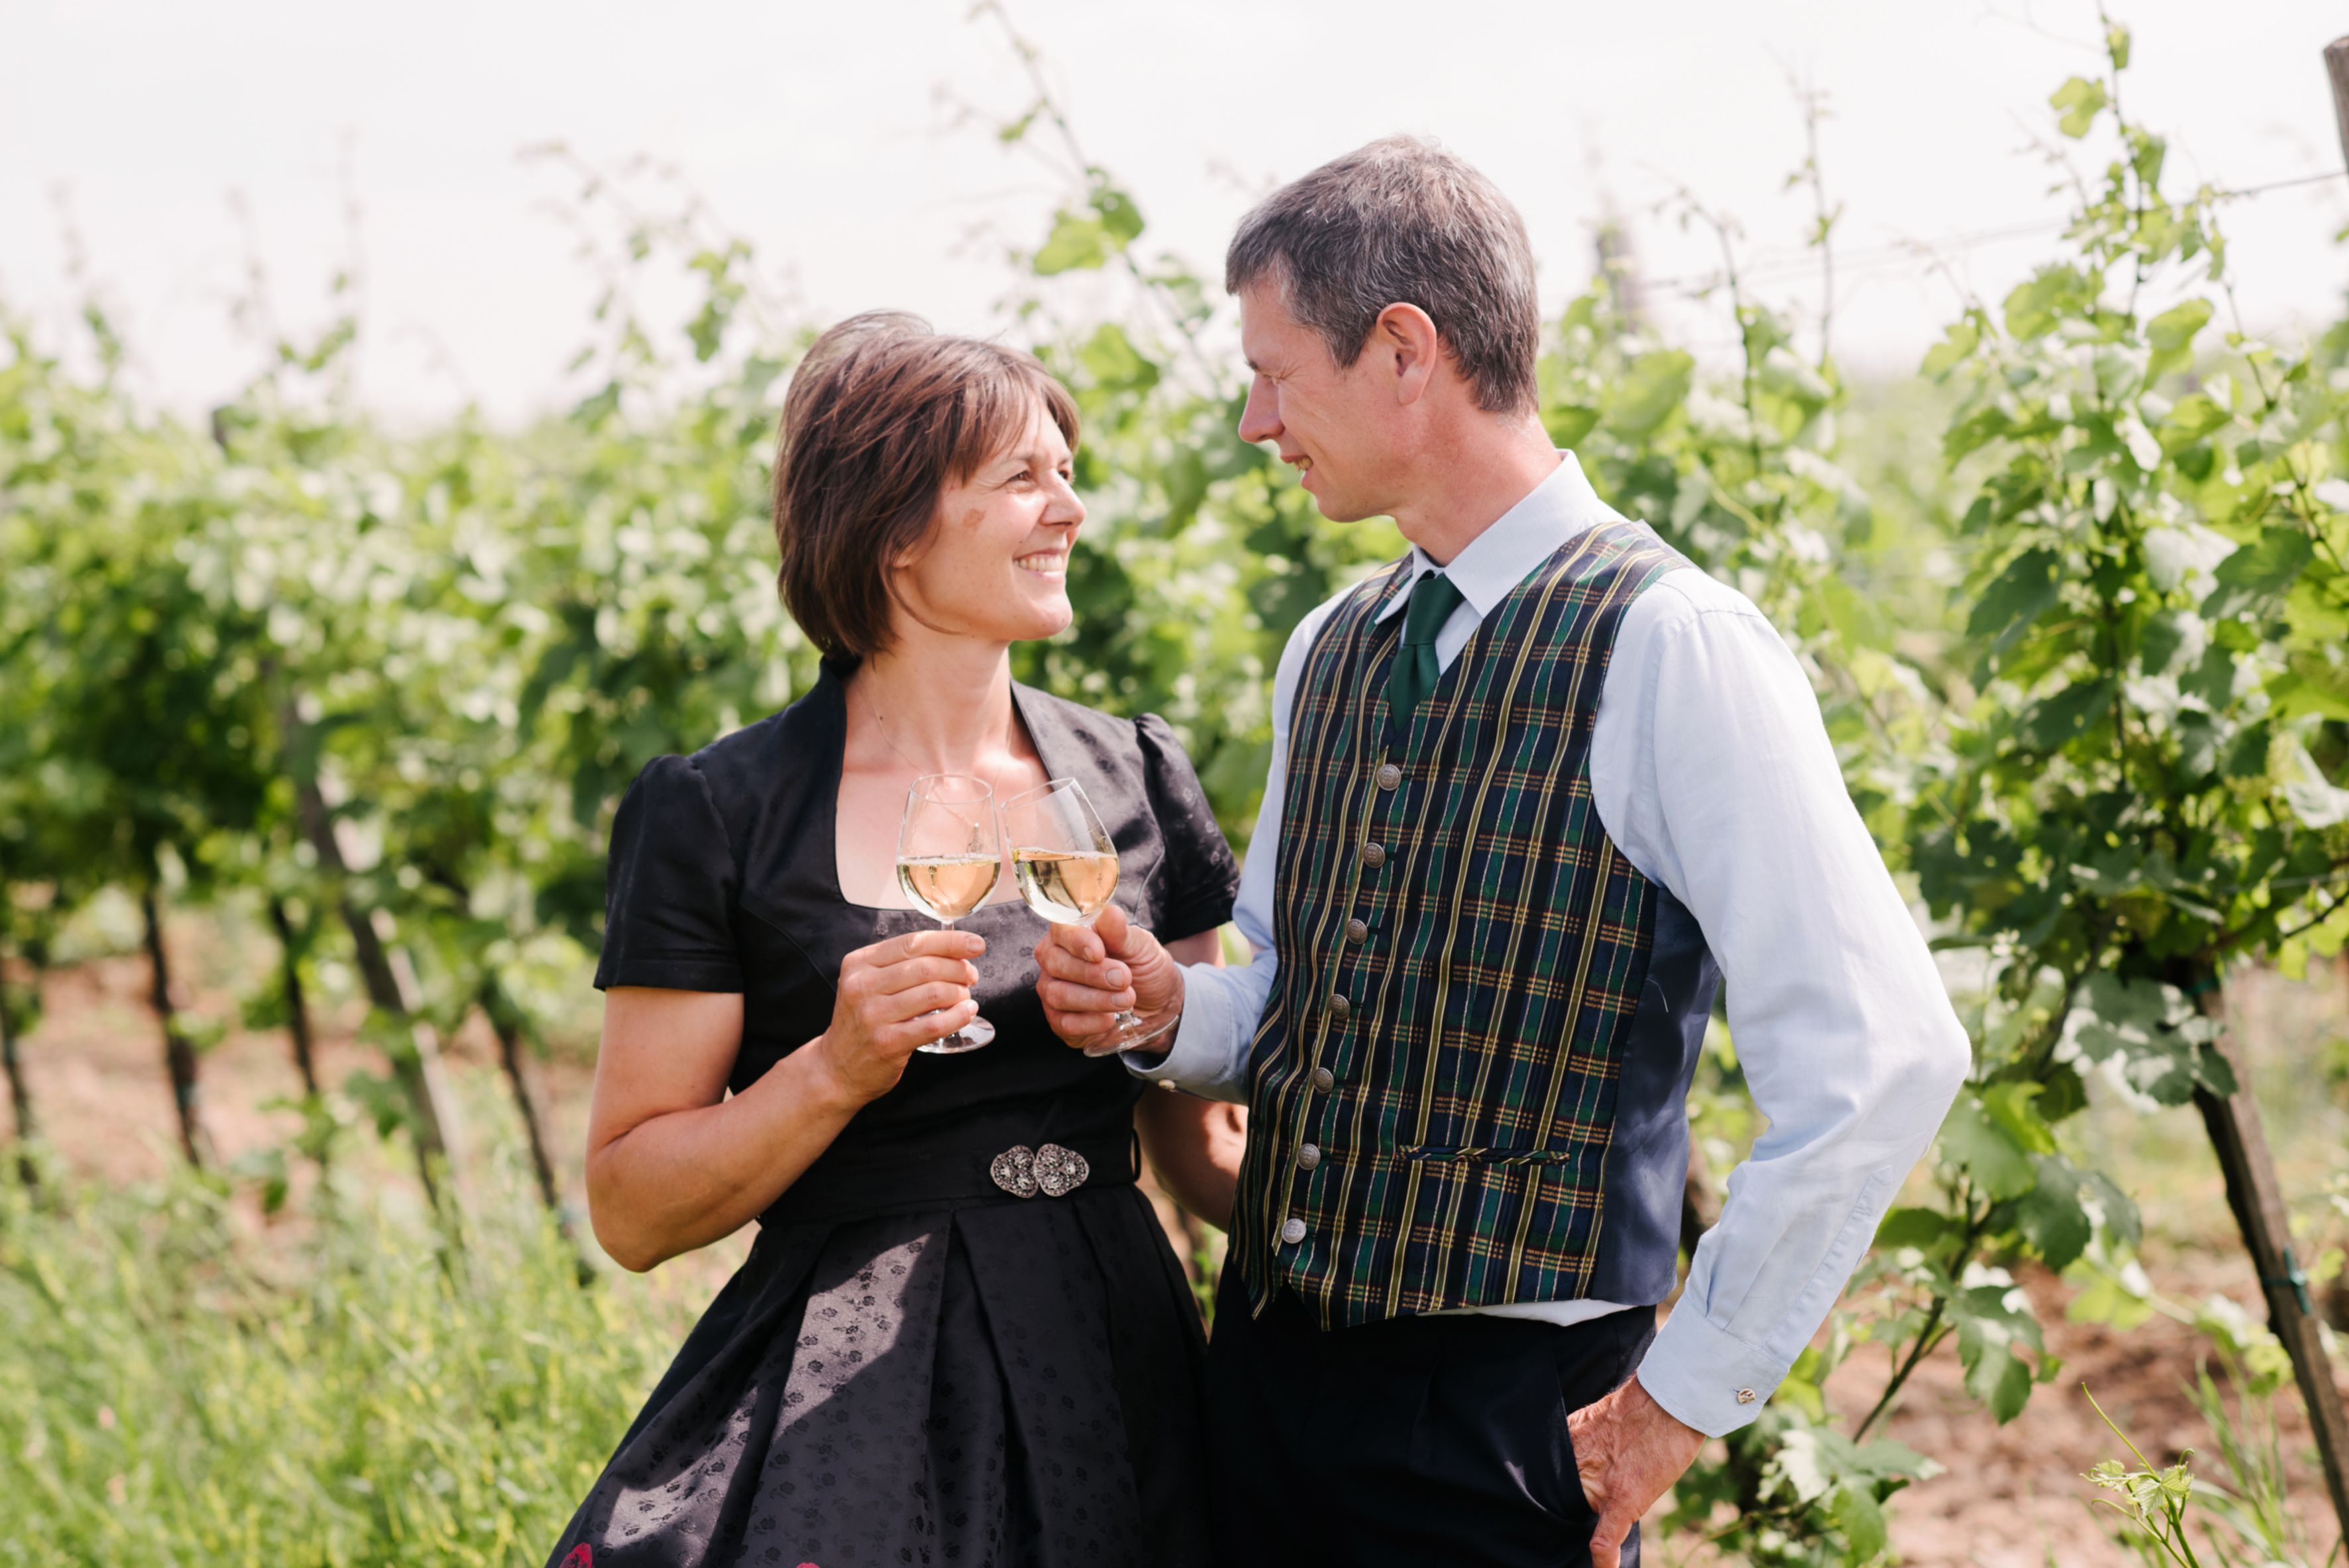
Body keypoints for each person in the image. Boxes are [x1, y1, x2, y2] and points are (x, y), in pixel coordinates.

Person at [1033, 138, 1971, 1568]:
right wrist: (1171, 1013)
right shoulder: (1331, 648)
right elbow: (1297, 990)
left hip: (1495, 1425)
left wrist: (1678, 1399)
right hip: (1264, 1379)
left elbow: (1880, 1054)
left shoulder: (1668, 646)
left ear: (1402, 350)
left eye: (1274, 372)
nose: (1251, 420)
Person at [546, 312, 1244, 1568]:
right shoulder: (719, 810)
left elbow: (1210, 1161)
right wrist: (831, 1070)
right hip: (855, 1390)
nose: (1067, 509)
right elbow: (631, 1208)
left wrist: (1166, 1038)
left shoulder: (1136, 772)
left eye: (1067, 473)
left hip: (1115, 1346)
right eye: (1021, 478)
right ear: (897, 531)